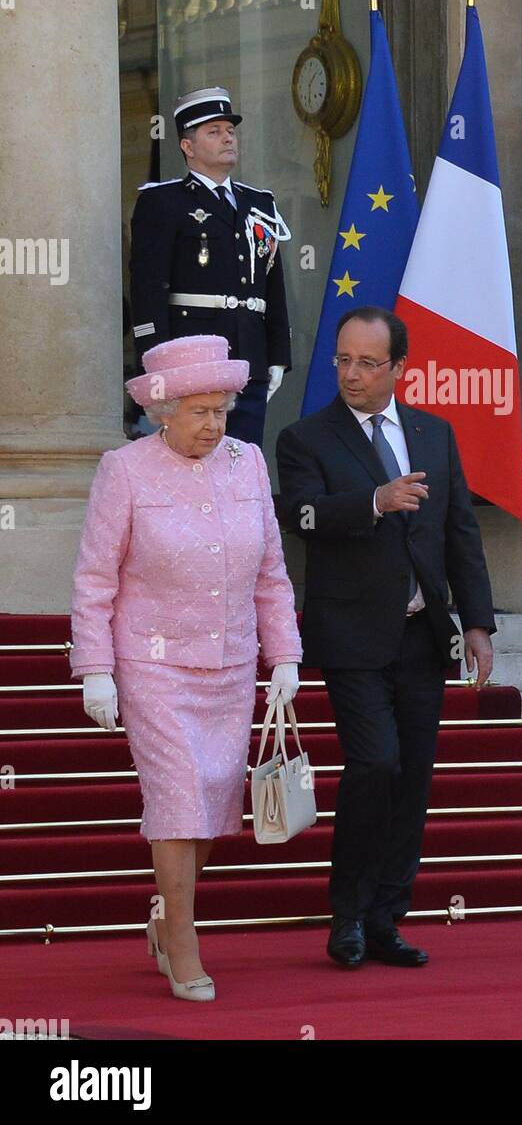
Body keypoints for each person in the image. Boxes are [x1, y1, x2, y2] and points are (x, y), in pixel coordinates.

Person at [69, 336, 302, 1000]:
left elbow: (271, 575)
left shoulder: (248, 463)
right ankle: (183, 945)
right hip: (154, 663)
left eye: (221, 410)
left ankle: (167, 915)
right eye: (198, 411)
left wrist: (283, 654)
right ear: (162, 409)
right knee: (178, 803)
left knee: (216, 806)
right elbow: (93, 581)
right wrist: (96, 669)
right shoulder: (125, 469)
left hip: (230, 665)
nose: (212, 425)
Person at [276, 306, 496, 970]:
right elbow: (303, 515)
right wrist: (374, 500)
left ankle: (385, 919)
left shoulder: (434, 434)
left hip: (425, 638)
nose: (351, 373)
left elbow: (461, 533)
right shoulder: (305, 438)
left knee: (414, 779)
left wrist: (478, 624)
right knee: (375, 763)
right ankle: (345, 915)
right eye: (343, 359)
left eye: (368, 363)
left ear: (400, 368)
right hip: (351, 636)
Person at [129, 87, 293, 447]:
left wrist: (278, 354)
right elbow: (149, 288)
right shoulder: (163, 202)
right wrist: (156, 359)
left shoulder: (258, 202)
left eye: (230, 131)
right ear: (188, 147)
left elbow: (272, 282)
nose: (227, 138)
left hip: (249, 356)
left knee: (242, 460)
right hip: (190, 359)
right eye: (214, 131)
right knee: (195, 462)